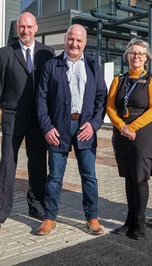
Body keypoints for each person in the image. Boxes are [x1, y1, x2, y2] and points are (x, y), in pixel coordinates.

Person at [35, 24, 108, 236]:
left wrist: (94, 125)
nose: (74, 44)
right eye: (71, 39)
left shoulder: (93, 66)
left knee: (89, 176)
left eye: (79, 40)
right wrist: (47, 127)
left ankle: (92, 217)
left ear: (85, 42)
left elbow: (101, 98)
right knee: (55, 176)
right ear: (65, 39)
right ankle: (49, 218)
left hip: (85, 128)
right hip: (58, 128)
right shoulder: (52, 65)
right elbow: (41, 99)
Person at [0, 12, 55, 232]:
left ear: (36, 28)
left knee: (37, 165)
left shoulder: (47, 53)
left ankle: (36, 206)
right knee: (7, 164)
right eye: (21, 27)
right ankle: (0, 213)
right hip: (13, 119)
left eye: (29, 27)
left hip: (38, 120)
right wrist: (8, 107)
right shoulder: (6, 53)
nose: (25, 31)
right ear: (17, 29)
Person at [106, 38, 152, 240]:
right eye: (132, 53)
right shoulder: (118, 80)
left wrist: (132, 127)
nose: (136, 56)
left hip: (143, 134)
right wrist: (122, 126)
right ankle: (129, 220)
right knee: (129, 178)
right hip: (122, 133)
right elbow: (110, 107)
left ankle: (140, 222)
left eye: (140, 53)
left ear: (147, 58)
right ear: (127, 56)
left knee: (139, 178)